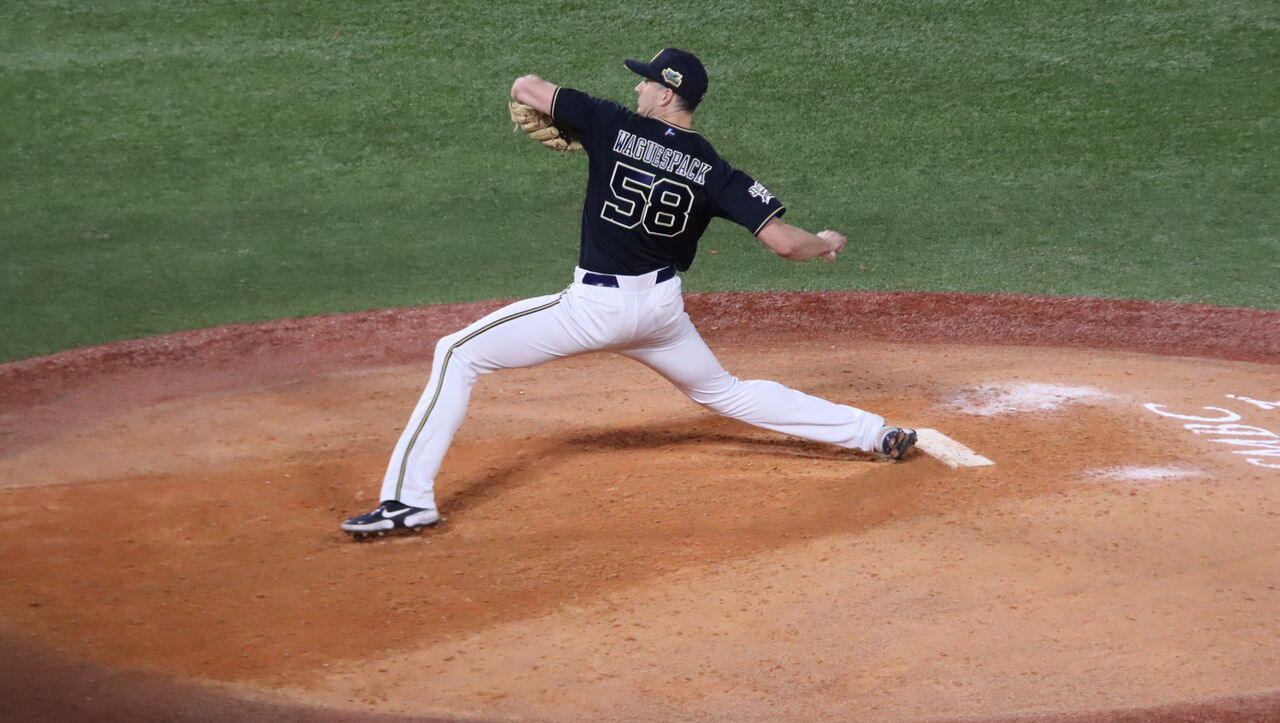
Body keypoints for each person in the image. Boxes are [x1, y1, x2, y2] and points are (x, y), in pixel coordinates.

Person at [341, 48, 916, 539]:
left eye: (646, 81)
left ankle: (408, 500)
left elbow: (526, 87)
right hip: (661, 314)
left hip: (594, 310)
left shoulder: (610, 124)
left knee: (456, 353)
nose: (637, 87)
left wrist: (574, 122)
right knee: (727, 393)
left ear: (667, 94)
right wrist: (825, 242)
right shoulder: (717, 171)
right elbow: (786, 243)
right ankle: (874, 432)